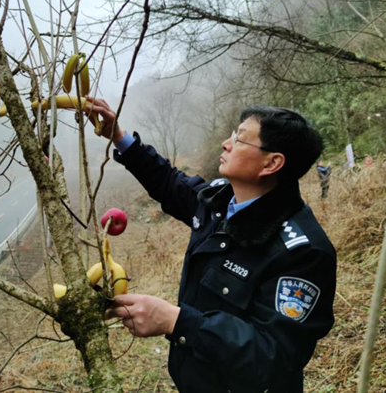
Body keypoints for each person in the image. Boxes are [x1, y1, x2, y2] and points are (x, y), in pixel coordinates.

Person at [86, 99, 337, 393]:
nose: (226, 143)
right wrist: (118, 135)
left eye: (240, 138)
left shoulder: (303, 252)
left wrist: (175, 321)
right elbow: (169, 183)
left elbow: (274, 357)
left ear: (271, 163)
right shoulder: (219, 200)